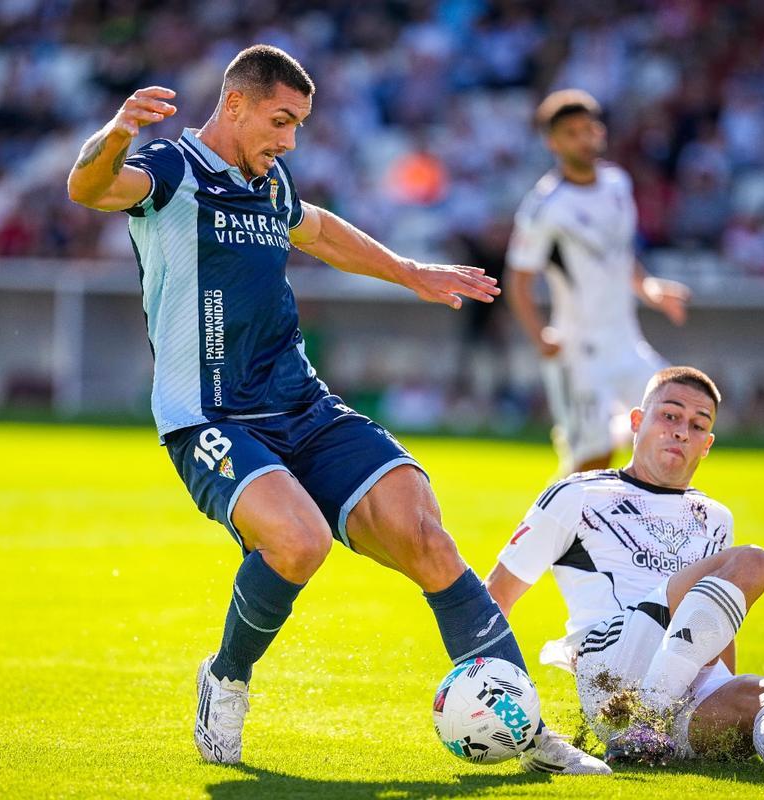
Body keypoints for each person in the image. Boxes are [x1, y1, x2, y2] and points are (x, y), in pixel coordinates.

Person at [66, 45, 606, 774]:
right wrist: (115, 133)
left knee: (427, 536)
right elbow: (92, 188)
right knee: (299, 542)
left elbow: (317, 230)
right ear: (235, 105)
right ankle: (226, 678)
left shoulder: (270, 180)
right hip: (210, 417)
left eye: (299, 126)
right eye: (280, 121)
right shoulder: (171, 169)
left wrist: (409, 272)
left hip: (303, 405)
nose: (289, 140)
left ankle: (525, 723)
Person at [484, 366, 764, 775]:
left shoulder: (715, 516)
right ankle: (646, 722)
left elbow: (716, 622)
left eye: (698, 425)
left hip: (677, 690)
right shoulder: (577, 494)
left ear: (707, 445)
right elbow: (496, 596)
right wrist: (500, 695)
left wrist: (726, 687)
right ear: (635, 421)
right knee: (754, 560)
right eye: (670, 415)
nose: (682, 431)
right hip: (612, 674)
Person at [505, 90, 691, 475]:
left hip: (626, 340)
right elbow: (518, 280)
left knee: (679, 415)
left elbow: (620, 256)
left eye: (589, 129)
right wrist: (541, 337)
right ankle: (549, 531)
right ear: (552, 142)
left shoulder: (617, 185)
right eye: (571, 133)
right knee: (591, 461)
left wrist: (651, 289)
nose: (583, 139)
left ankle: (626, 455)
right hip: (579, 350)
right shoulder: (544, 208)